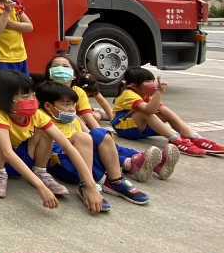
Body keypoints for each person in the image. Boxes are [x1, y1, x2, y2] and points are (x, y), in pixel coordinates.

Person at [0, 71, 104, 214]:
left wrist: (90, 186)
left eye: (32, 94)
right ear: (6, 98)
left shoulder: (36, 115)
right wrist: (41, 187)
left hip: (24, 157)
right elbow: (8, 153)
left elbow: (66, 145)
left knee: (45, 131)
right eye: (25, 95)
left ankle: (41, 171)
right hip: (1, 160)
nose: (32, 99)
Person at [44, 54, 173, 182]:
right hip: (66, 142)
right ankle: (130, 164)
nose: (60, 69)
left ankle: (157, 165)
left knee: (108, 143)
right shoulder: (43, 92)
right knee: (100, 148)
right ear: (49, 72)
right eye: (56, 66)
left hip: (78, 134)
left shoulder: (78, 91)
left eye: (65, 66)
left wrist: (102, 135)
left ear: (74, 73)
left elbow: (87, 117)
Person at [36, 82, 147, 207]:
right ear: (48, 106)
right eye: (66, 104)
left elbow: (92, 137)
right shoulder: (41, 116)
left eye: (73, 104)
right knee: (82, 137)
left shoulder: (74, 118)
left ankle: (115, 180)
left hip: (82, 160)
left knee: (100, 133)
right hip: (62, 163)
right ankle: (87, 186)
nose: (72, 109)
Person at [113, 67, 223, 156]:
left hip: (138, 127)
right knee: (146, 113)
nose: (153, 83)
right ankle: (176, 140)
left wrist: (156, 96)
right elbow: (149, 110)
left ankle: (193, 137)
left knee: (163, 109)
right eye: (147, 81)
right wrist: (158, 93)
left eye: (152, 80)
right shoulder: (128, 94)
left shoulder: (144, 94)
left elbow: (158, 109)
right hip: (124, 128)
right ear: (133, 85)